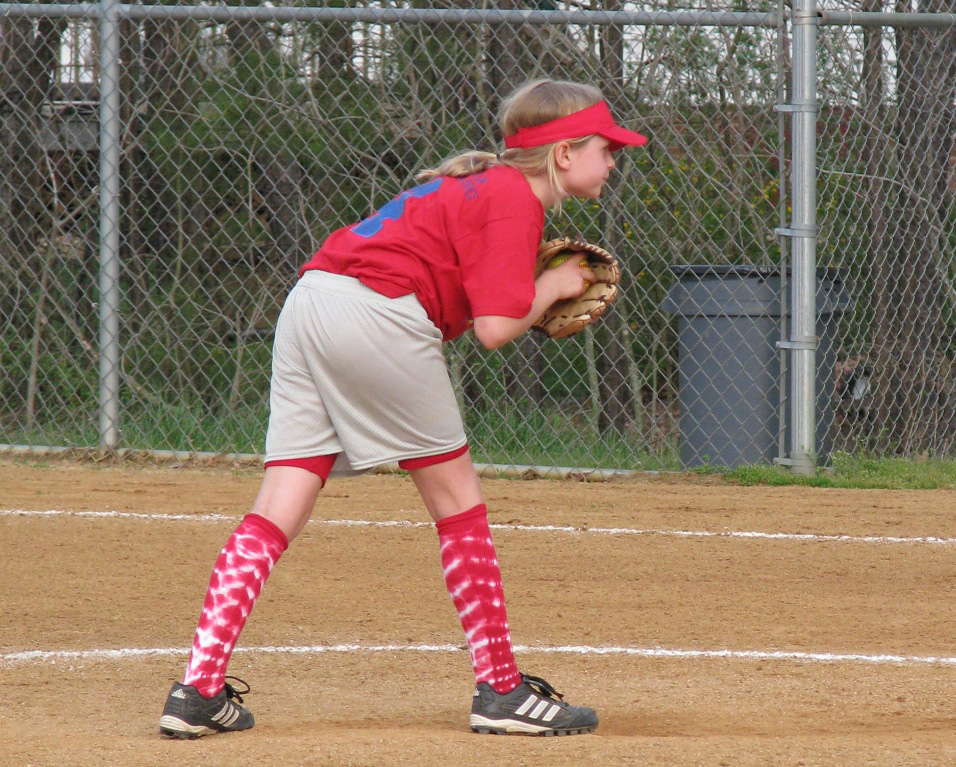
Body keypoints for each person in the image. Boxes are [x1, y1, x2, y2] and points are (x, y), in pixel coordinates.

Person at [158, 78, 647, 739]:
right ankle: (501, 688)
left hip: (312, 300)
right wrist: (555, 283)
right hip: (377, 314)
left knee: (281, 500)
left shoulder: (485, 185)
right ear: (563, 154)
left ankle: (198, 688)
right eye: (605, 147)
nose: (614, 159)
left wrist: (531, 284)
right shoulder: (513, 197)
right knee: (457, 498)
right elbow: (496, 328)